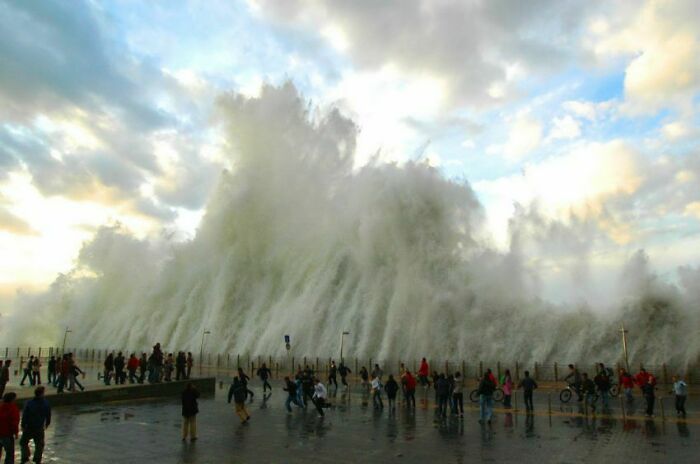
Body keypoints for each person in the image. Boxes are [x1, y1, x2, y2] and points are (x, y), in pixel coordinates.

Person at [20, 387, 50, 464]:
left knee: (23, 442)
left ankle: (25, 456)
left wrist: (23, 425)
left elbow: (25, 415)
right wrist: (47, 423)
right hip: (39, 427)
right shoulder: (46, 403)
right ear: (41, 394)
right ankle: (37, 459)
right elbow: (48, 415)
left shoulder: (29, 403)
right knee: (39, 444)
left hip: (29, 427)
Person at [0, 392, 20, 464]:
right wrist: (16, 432)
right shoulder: (13, 408)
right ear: (12, 399)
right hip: (7, 434)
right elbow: (14, 423)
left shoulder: (1, 407)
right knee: (10, 454)